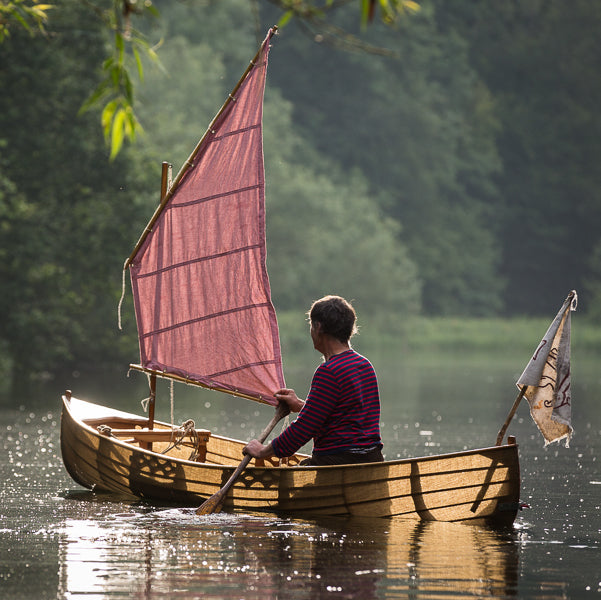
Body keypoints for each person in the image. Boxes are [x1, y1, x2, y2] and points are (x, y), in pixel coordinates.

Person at [243, 295, 383, 466]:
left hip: (339, 464)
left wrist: (262, 451)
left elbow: (303, 429)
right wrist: (302, 406)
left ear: (318, 327)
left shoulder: (329, 371)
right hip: (372, 461)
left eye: (311, 325)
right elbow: (342, 416)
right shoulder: (364, 365)